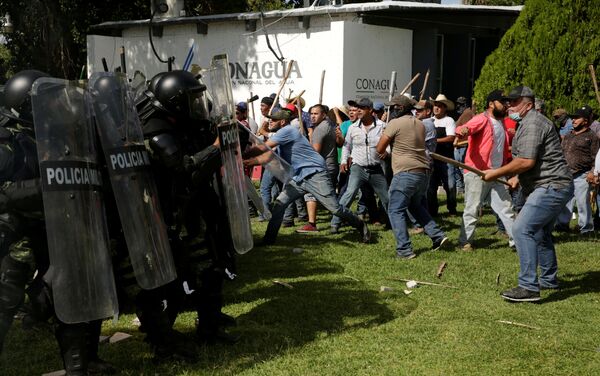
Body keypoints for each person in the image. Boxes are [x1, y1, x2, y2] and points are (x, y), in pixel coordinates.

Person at [137, 70, 238, 358]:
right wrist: (216, 149)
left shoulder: (182, 122)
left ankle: (209, 325)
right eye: (192, 98)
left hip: (195, 210)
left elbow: (203, 142)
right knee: (168, 282)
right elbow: (183, 171)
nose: (197, 104)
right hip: (167, 215)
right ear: (175, 101)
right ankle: (162, 341)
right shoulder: (154, 128)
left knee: (211, 267)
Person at [483, 86, 573, 302]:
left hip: (551, 186)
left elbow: (526, 161)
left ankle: (528, 287)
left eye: (514, 102)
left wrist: (495, 172)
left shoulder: (533, 122)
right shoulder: (528, 122)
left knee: (522, 228)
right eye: (508, 102)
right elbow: (535, 160)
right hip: (549, 184)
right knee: (539, 232)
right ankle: (549, 279)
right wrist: (515, 178)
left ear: (529, 104)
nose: (509, 105)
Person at [243, 109, 370, 245]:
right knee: (279, 204)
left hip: (315, 173)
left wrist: (243, 155)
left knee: (335, 208)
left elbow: (263, 148)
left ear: (282, 121)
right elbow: (267, 157)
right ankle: (268, 240)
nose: (269, 121)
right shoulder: (281, 136)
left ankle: (360, 224)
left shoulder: (287, 131)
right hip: (299, 177)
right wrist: (246, 163)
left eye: (273, 120)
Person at [376, 95, 449, 259]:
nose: (390, 111)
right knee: (415, 206)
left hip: (405, 172)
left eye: (393, 107)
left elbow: (380, 148)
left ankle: (404, 250)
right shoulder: (420, 124)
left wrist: (387, 138)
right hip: (423, 172)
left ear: (399, 108)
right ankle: (437, 235)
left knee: (395, 210)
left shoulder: (395, 123)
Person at [455, 89, 516, 251]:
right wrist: (463, 131)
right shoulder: (481, 119)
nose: (505, 105)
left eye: (506, 102)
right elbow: (465, 128)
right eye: (502, 102)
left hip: (496, 172)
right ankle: (465, 241)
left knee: (506, 208)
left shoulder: (502, 122)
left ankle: (517, 241)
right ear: (491, 104)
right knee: (472, 208)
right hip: (477, 173)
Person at [330, 98, 389, 233]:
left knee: (386, 197)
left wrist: (387, 152)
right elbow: (346, 146)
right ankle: (335, 223)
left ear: (370, 110)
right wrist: (344, 161)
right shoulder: (353, 127)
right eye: (357, 109)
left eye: (361, 109)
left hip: (376, 168)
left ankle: (391, 222)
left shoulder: (382, 126)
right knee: (349, 194)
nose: (358, 111)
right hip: (358, 167)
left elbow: (389, 144)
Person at [555, 105, 599, 235]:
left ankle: (586, 228)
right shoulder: (568, 135)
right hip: (566, 173)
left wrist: (593, 172)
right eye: (573, 118)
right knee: (565, 201)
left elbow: (596, 156)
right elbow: (561, 152)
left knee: (582, 203)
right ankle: (562, 225)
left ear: (585, 121)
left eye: (577, 118)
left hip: (582, 174)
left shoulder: (592, 136)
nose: (573, 120)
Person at [297, 104, 340, 233]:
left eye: (316, 114)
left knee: (311, 193)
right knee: (330, 197)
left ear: (324, 115)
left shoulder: (320, 129)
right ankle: (338, 221)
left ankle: (312, 224)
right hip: (331, 165)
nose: (312, 116)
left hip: (322, 167)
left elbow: (315, 152)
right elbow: (339, 143)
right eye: (311, 113)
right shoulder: (330, 125)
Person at [427, 94, 457, 216]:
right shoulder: (429, 120)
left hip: (446, 159)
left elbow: (451, 138)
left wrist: (433, 141)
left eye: (440, 106)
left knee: (450, 185)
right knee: (431, 187)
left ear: (445, 108)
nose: (437, 108)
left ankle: (452, 208)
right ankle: (432, 211)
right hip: (431, 158)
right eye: (435, 105)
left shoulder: (449, 120)